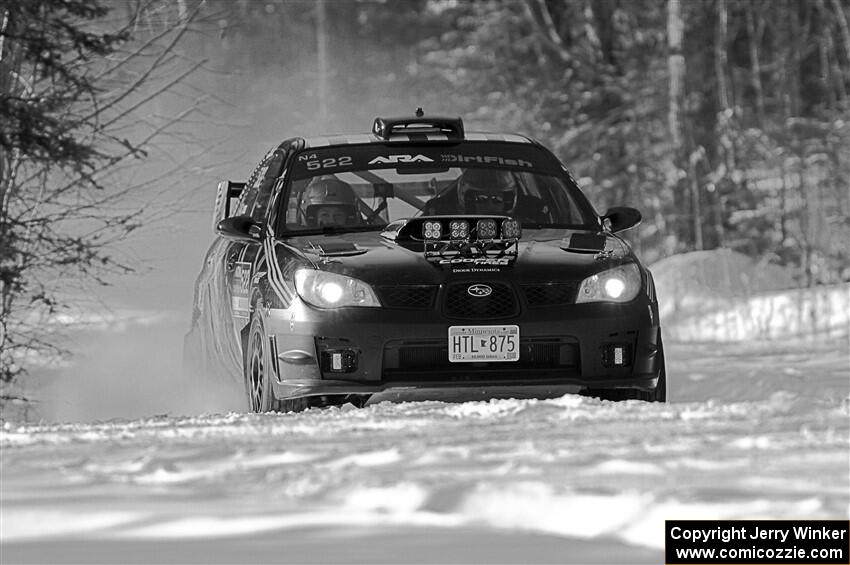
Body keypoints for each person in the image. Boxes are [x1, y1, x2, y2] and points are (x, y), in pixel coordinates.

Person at [422, 168, 548, 222]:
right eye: (481, 199)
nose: (489, 205)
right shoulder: (441, 229)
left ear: (508, 202)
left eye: (497, 199)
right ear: (467, 199)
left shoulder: (530, 231)